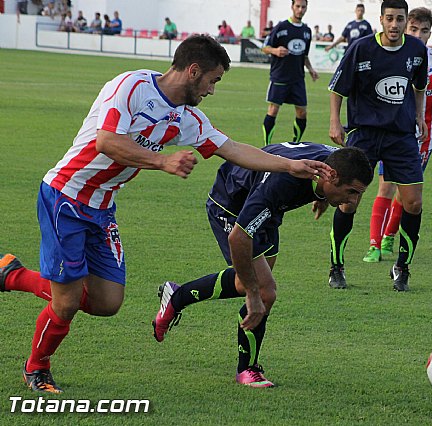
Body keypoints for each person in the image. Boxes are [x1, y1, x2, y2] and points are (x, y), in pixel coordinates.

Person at [0, 34, 331, 394]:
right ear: (193, 71)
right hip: (65, 197)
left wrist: (289, 166)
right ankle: (37, 367)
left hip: (102, 207)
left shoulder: (187, 118)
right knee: (65, 304)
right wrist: (162, 160)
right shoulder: (131, 86)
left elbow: (232, 148)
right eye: (213, 80)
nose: (212, 90)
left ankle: (12, 274)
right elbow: (106, 141)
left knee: (107, 302)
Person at [152, 143, 372, 387]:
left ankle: (177, 296)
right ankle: (247, 369)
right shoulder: (281, 184)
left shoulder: (330, 163)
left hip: (266, 206)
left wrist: (323, 195)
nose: (353, 201)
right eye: (352, 192)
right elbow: (239, 236)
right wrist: (254, 295)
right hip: (231, 205)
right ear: (332, 177)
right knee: (263, 292)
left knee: (242, 282)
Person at [326, 0, 429, 291]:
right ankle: (336, 266)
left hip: (401, 136)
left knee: (414, 202)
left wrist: (419, 115)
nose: (395, 25)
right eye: (390, 19)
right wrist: (335, 122)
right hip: (364, 134)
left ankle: (402, 268)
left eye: (400, 19)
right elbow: (337, 89)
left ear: (405, 21)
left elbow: (418, 86)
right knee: (349, 201)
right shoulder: (361, 48)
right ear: (381, 20)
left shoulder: (416, 51)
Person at [362, 7, 432, 269]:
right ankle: (375, 245)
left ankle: (389, 236)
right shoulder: (390, 56)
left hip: (422, 141)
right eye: (414, 29)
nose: (418, 35)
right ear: (404, 27)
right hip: (391, 135)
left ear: (430, 34)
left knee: (405, 194)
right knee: (386, 187)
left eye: (424, 31)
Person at [261, 0, 319, 145]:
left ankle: (295, 144)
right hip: (280, 76)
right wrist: (275, 50)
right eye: (297, 6)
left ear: (306, 8)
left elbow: (304, 55)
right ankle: (266, 146)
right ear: (292, 7)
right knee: (273, 110)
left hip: (298, 78)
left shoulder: (307, 31)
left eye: (303, 7)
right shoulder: (281, 27)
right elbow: (264, 47)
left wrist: (311, 69)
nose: (300, 10)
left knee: (302, 113)